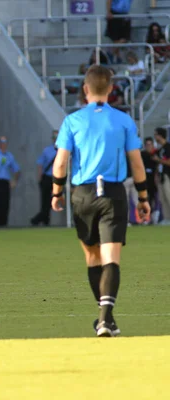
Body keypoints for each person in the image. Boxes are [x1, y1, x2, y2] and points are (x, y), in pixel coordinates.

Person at [51, 65, 150, 338]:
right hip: (113, 194)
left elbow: (60, 163)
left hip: (82, 195)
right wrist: (142, 197)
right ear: (110, 89)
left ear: (85, 90)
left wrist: (56, 192)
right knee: (111, 258)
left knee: (93, 258)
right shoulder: (124, 121)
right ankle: (106, 319)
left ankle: (105, 318)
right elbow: (137, 165)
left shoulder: (72, 121)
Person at [31, 130, 58, 226]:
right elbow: (40, 164)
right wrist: (40, 177)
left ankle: (37, 220)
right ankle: (44, 221)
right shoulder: (47, 150)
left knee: (52, 201)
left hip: (56, 178)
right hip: (47, 177)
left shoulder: (63, 150)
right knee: (45, 201)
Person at [152, 127, 170, 225]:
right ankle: (167, 218)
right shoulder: (160, 149)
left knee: (169, 196)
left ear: (160, 135)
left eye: (156, 134)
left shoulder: (168, 147)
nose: (155, 137)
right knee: (163, 199)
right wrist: (156, 175)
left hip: (168, 176)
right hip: (161, 176)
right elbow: (158, 165)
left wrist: (158, 160)